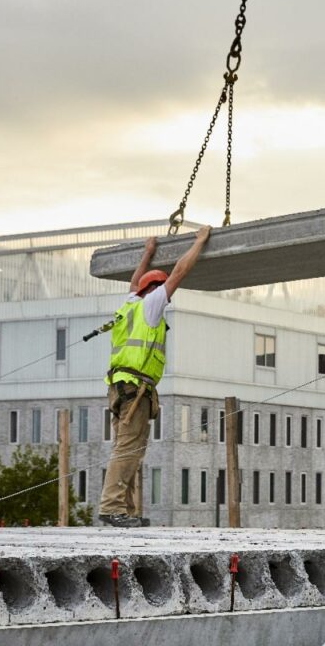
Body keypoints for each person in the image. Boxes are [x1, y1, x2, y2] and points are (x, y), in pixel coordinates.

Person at [98, 226, 211, 527]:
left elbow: (136, 281)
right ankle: (112, 508)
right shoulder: (151, 304)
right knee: (128, 449)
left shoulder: (131, 304)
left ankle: (127, 510)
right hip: (136, 389)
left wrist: (148, 252)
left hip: (120, 387)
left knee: (128, 449)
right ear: (155, 290)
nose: (167, 300)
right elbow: (179, 273)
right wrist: (199, 242)